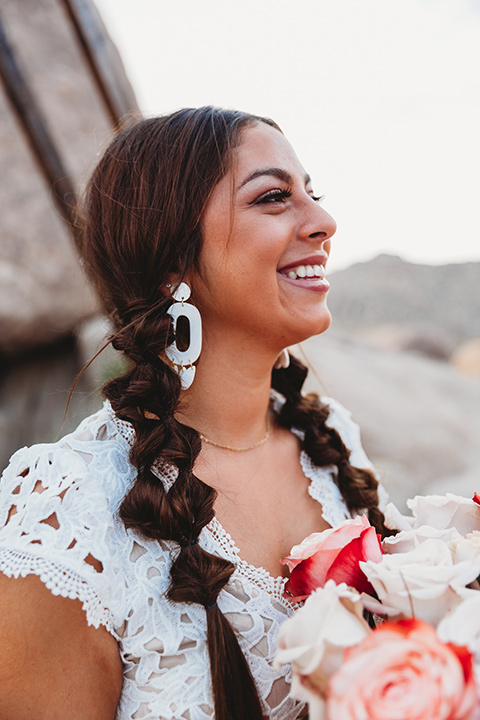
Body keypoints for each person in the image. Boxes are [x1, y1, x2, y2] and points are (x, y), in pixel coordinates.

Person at [0, 107, 388, 720]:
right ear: (172, 261)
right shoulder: (67, 511)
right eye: (274, 197)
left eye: (313, 194)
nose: (323, 222)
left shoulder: (330, 439)